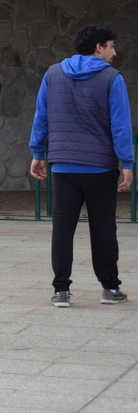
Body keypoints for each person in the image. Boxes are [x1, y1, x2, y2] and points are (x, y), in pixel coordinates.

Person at [30, 25, 134, 308]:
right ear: (99, 47)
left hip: (63, 167)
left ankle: (61, 291)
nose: (114, 52)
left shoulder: (53, 74)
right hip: (100, 167)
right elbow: (120, 124)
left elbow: (41, 116)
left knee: (62, 229)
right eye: (111, 46)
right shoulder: (112, 78)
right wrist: (126, 161)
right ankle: (110, 289)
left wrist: (38, 151)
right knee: (103, 229)